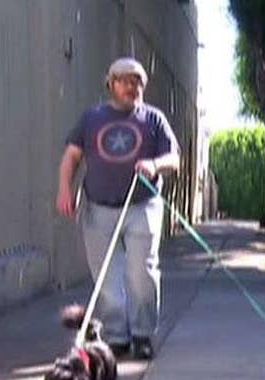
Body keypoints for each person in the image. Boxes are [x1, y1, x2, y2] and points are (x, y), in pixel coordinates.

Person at [55, 57, 180, 359]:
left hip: (142, 206)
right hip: (98, 209)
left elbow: (174, 159)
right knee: (106, 277)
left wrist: (154, 164)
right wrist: (64, 189)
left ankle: (142, 334)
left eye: (137, 81)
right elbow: (72, 156)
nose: (131, 86)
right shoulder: (92, 118)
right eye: (124, 80)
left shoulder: (153, 119)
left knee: (142, 273)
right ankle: (116, 337)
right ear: (110, 84)